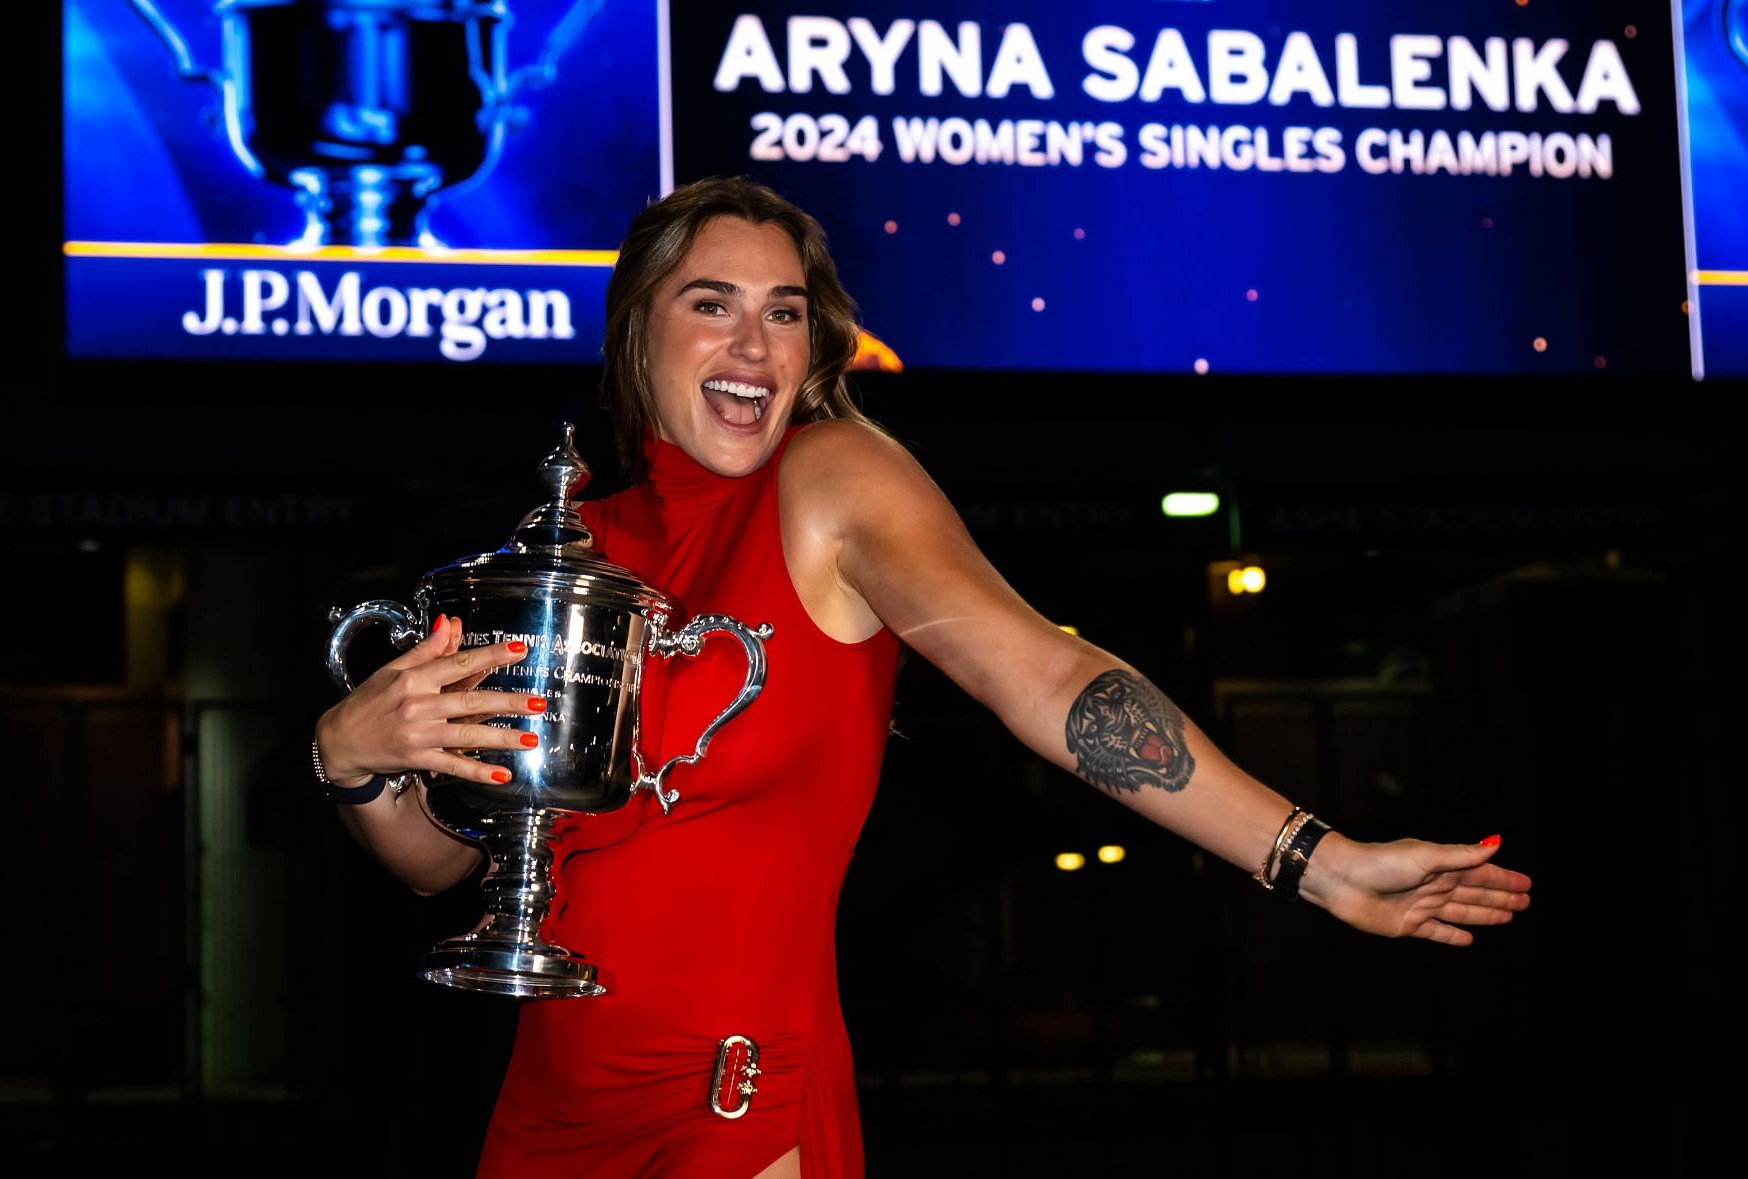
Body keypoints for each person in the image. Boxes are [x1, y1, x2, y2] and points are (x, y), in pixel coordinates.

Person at [310, 177, 1533, 1179]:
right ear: (639, 330)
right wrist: (355, 757)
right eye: (713, 303)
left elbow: (1048, 677)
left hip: (735, 1104)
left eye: (785, 313)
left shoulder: (832, 480)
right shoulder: (574, 551)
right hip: (542, 1114)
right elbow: (452, 861)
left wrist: (1314, 862)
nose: (753, 343)